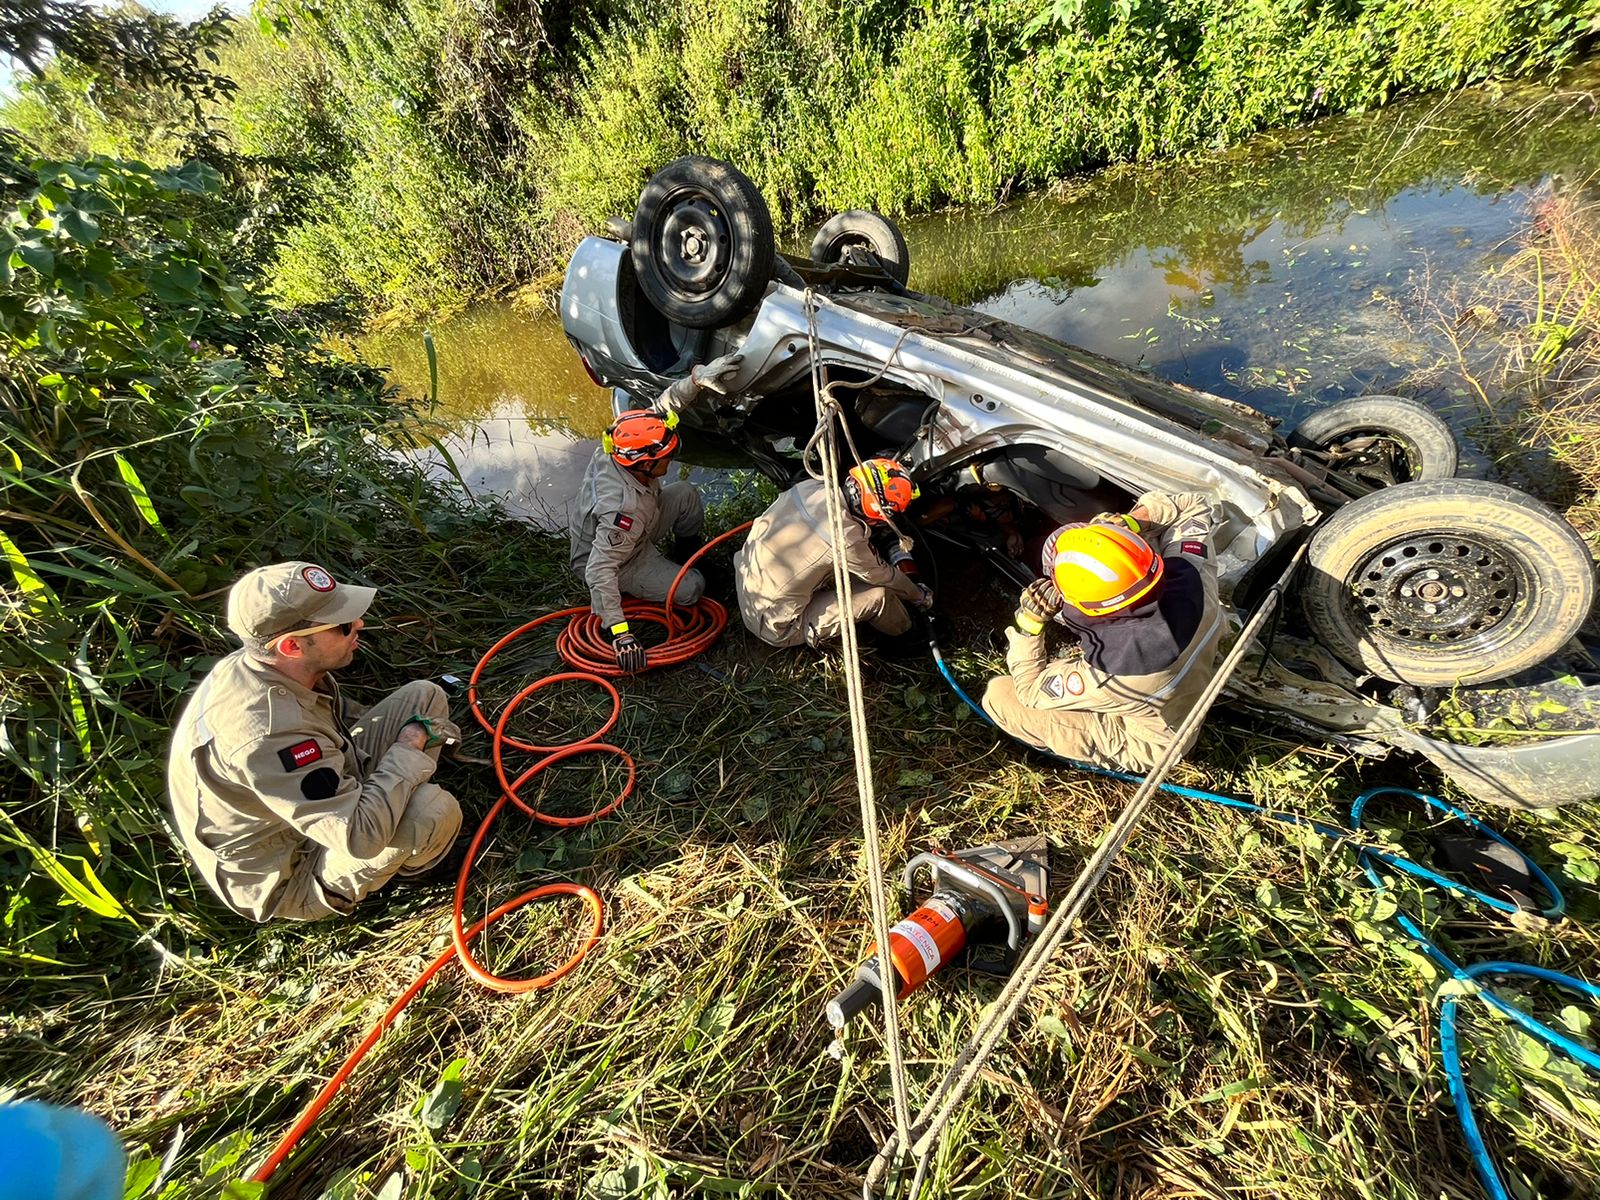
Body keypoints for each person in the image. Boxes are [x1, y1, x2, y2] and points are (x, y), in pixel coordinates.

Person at [167, 562, 463, 922]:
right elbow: (358, 836)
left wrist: (401, 748)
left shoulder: (268, 665)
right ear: (292, 646)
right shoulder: (268, 737)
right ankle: (417, 869)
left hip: (316, 803)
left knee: (425, 697)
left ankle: (393, 804)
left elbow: (330, 718)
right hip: (296, 865)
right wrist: (409, 744)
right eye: (342, 625)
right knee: (429, 812)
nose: (358, 625)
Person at [981, 491, 1221, 773]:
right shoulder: (1192, 573)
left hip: (1157, 741)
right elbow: (1194, 504)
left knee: (999, 695)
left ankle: (1070, 758)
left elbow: (1032, 692)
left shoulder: (1113, 671)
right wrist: (1131, 523)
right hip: (1191, 683)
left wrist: (1029, 625)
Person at [735, 456, 933, 649]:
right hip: (775, 623)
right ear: (876, 516)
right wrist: (919, 595)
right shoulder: (846, 538)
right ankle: (908, 637)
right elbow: (884, 577)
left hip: (748, 579)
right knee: (879, 597)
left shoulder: (811, 487)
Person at [569, 406, 710, 673]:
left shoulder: (618, 446)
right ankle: (677, 575)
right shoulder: (622, 511)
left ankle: (688, 555)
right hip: (623, 559)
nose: (671, 461)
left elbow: (658, 412)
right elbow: (599, 570)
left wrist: (694, 382)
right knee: (693, 587)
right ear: (647, 464)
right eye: (666, 457)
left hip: (641, 525)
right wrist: (621, 634)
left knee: (685, 493)